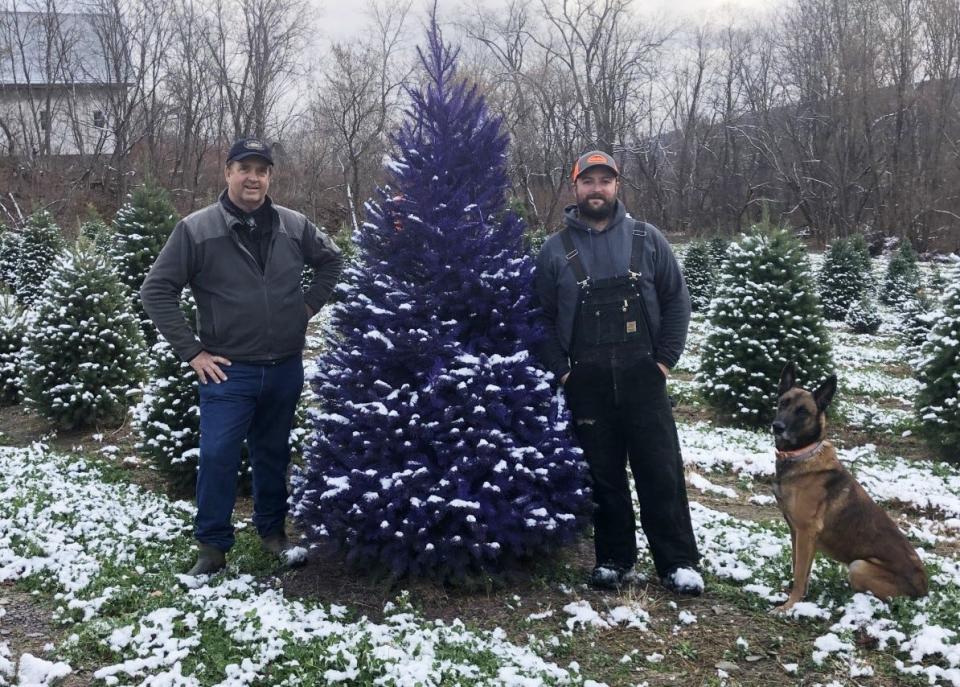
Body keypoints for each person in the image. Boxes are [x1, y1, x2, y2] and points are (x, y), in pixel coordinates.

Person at [141, 137, 343, 576]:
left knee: (273, 453)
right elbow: (155, 291)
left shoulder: (294, 224)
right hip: (228, 372)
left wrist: (306, 307)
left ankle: (273, 534)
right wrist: (193, 352)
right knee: (218, 455)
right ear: (228, 172)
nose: (253, 178)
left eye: (262, 170)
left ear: (270, 177)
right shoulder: (197, 229)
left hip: (285, 366)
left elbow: (332, 262)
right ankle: (212, 548)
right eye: (244, 168)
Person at [533, 150, 702, 594]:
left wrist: (664, 361)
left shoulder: (649, 239)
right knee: (602, 475)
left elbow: (677, 302)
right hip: (585, 381)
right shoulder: (554, 251)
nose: (596, 189)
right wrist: (562, 373)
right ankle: (613, 559)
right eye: (587, 181)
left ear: (617, 187)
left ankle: (678, 561)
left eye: (604, 181)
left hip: (643, 376)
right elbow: (540, 319)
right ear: (575, 188)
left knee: (660, 470)